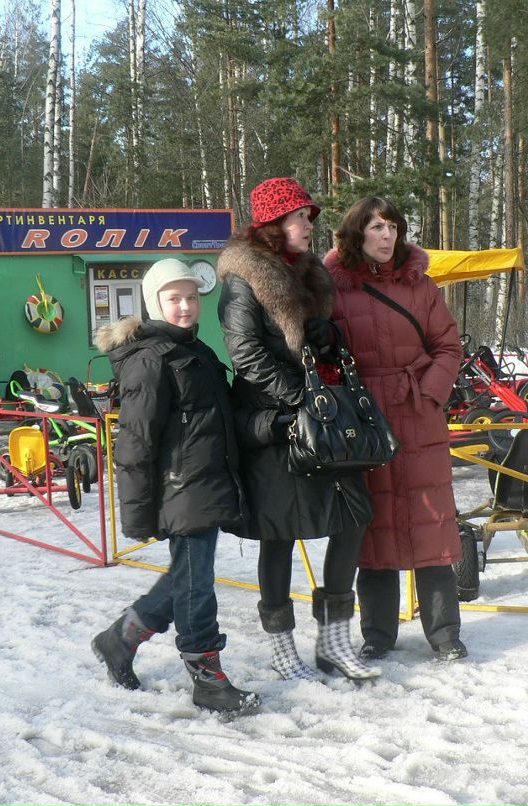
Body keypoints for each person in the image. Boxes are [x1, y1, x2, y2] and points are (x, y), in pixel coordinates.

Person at [216, 177, 380, 682]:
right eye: (299, 217)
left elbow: (318, 347)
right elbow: (245, 355)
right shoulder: (242, 280)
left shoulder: (309, 274)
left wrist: (329, 338)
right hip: (279, 424)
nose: (309, 225)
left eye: (310, 216)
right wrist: (301, 398)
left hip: (322, 418)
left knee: (352, 520)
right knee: (278, 535)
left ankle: (334, 641)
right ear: (272, 224)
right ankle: (283, 649)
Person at [91, 258, 261, 715]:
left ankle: (120, 639)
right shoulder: (150, 359)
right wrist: (136, 510)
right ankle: (207, 678)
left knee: (188, 577)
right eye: (174, 298)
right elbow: (136, 440)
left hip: (204, 484)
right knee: (195, 585)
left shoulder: (196, 352)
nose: (185, 306)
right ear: (154, 304)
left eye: (190, 297)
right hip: (181, 488)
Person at [323, 196, 468, 662]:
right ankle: (378, 635)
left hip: (417, 414)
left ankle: (444, 634)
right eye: (377, 227)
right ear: (356, 234)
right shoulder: (333, 289)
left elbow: (449, 345)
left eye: (393, 227)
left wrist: (429, 394)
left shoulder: (421, 286)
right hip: (364, 420)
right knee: (375, 529)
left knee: (433, 525)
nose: (387, 237)